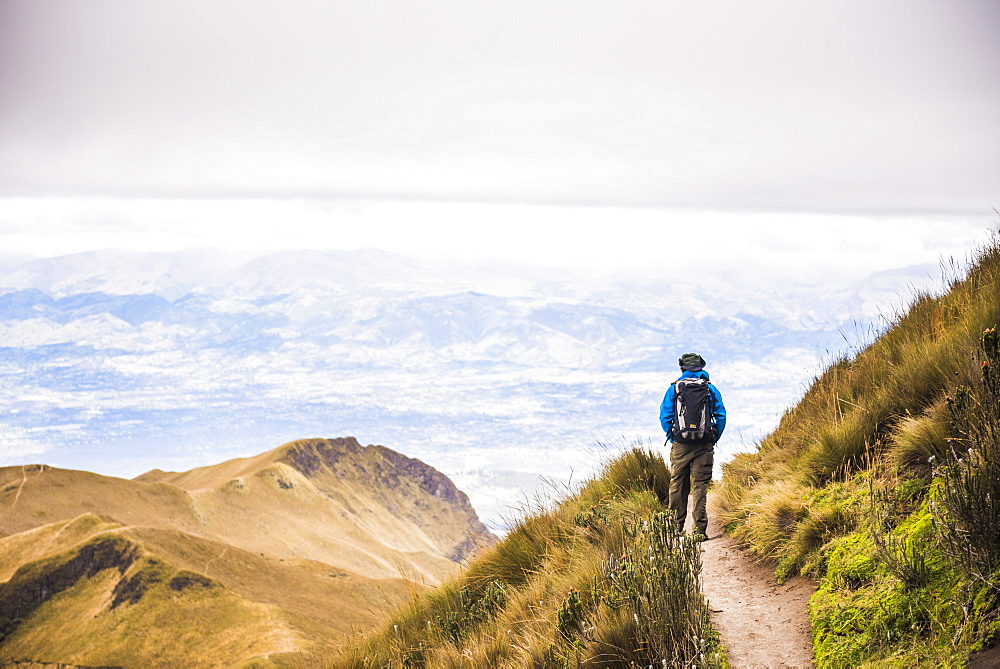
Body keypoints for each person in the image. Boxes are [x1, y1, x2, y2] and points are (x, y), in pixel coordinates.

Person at [659, 352, 726, 540]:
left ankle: (675, 528)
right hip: (704, 444)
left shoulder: (674, 389)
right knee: (700, 487)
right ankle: (698, 531)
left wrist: (673, 437)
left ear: (682, 368)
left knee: (677, 485)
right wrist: (712, 438)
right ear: (701, 368)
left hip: (680, 444)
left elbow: (664, 417)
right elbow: (721, 416)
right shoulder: (710, 389)